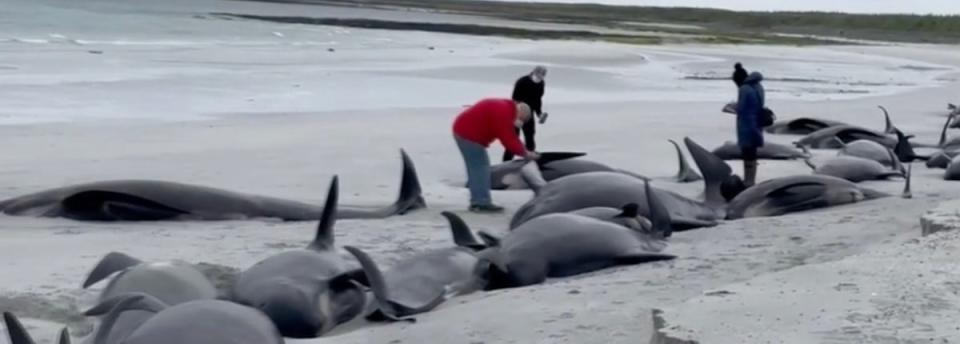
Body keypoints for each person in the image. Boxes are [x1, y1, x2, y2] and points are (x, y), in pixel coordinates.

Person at [453, 98, 540, 213]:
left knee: (476, 168)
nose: (519, 123)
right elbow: (509, 140)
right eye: (521, 120)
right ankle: (481, 203)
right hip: (468, 135)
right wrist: (526, 154)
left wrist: (524, 151)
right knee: (480, 169)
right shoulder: (504, 113)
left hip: (464, 131)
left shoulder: (506, 107)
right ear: (520, 113)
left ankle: (477, 201)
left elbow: (509, 137)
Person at [503, 66, 548, 162]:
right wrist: (517, 116)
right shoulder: (522, 81)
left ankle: (530, 160)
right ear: (535, 72)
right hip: (516, 112)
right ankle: (506, 162)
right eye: (540, 75)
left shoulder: (541, 84)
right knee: (513, 139)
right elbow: (514, 99)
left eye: (543, 76)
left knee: (530, 137)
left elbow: (537, 100)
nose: (541, 78)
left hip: (529, 114)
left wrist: (539, 113)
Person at [736, 71, 766, 187]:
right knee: (753, 152)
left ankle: (747, 180)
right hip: (757, 122)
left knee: (746, 152)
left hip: (746, 123)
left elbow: (741, 108)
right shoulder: (759, 87)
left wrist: (732, 107)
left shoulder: (744, 88)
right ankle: (752, 180)